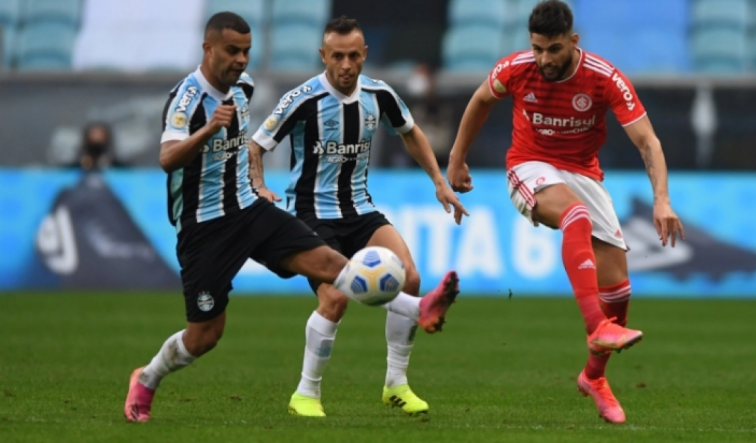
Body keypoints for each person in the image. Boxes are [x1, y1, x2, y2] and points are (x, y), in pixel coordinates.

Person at [124, 12, 379, 423]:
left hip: (249, 209)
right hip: (205, 227)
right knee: (204, 336)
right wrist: (207, 130)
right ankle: (148, 377)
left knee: (336, 267)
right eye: (232, 51)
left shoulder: (244, 86)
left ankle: (414, 310)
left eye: (246, 51)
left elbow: (247, 148)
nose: (241, 60)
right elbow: (167, 158)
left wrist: (257, 182)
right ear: (208, 49)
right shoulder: (186, 99)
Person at [446, 0, 685, 424]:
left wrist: (661, 199)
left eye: (553, 49)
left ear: (573, 42)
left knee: (620, 294)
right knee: (574, 217)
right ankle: (596, 325)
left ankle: (594, 376)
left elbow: (649, 142)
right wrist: (456, 159)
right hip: (528, 166)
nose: (543, 59)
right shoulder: (517, 68)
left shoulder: (603, 77)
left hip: (583, 175)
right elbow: (481, 100)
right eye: (537, 48)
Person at [249, 16, 468, 417]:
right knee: (334, 299)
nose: (346, 65)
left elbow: (410, 131)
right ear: (323, 56)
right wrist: (260, 186)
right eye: (337, 56)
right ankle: (306, 393)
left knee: (411, 278)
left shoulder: (379, 94)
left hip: (361, 210)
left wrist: (438, 180)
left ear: (364, 54)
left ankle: (396, 385)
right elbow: (256, 145)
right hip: (311, 215)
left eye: (354, 56)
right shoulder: (302, 98)